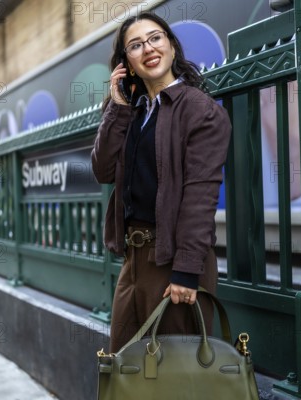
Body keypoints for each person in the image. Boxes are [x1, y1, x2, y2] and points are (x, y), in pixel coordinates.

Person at [91, 12, 232, 352]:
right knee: (124, 364)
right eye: (135, 45)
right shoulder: (134, 111)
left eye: (155, 38)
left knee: (175, 372)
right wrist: (118, 106)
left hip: (174, 260)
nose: (148, 49)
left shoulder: (200, 110)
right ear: (126, 62)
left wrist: (186, 271)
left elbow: (200, 196)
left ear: (171, 44)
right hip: (134, 259)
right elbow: (102, 170)